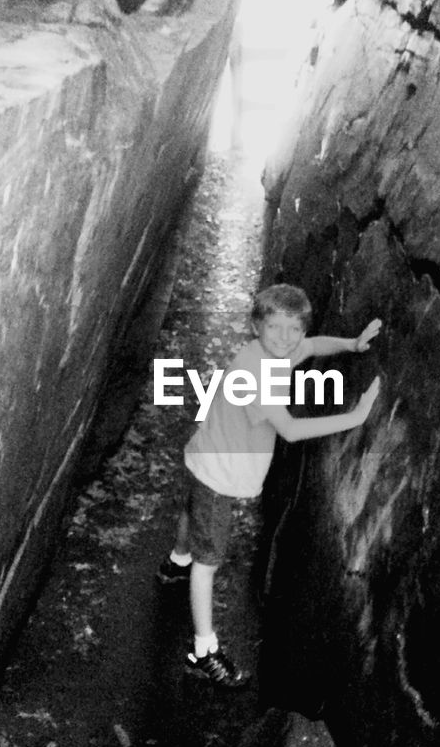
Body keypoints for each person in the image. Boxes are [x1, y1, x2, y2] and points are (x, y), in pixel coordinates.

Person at [156, 282, 382, 688]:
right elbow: (291, 430)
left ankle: (176, 561)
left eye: (292, 329)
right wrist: (356, 417)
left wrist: (352, 344)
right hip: (218, 475)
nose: (286, 338)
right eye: (275, 328)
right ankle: (203, 650)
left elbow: (311, 347)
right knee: (209, 564)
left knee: (191, 515)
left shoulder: (273, 350)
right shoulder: (253, 373)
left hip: (203, 454)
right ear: (255, 325)